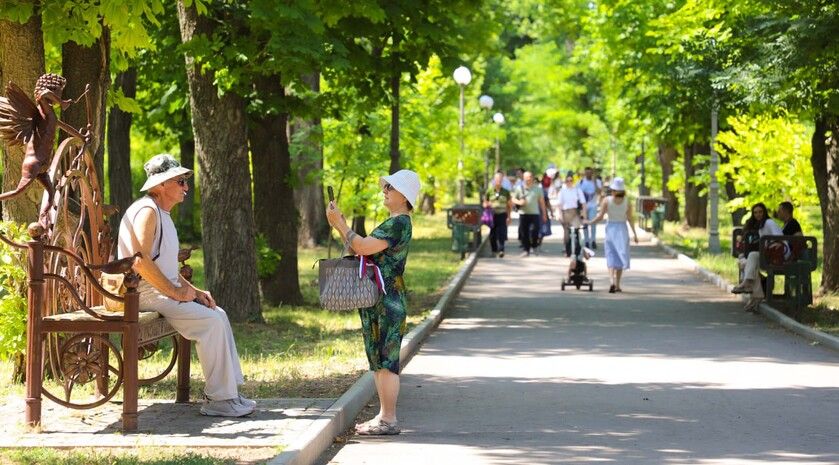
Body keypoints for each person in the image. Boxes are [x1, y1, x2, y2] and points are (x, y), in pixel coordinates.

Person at [117, 154, 255, 417]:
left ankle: (229, 394)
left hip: (157, 290)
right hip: (141, 292)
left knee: (218, 314)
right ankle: (219, 401)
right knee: (210, 322)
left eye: (185, 182)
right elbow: (141, 262)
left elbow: (165, 266)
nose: (186, 187)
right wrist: (176, 293)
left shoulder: (161, 213)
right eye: (180, 181)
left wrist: (196, 292)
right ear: (160, 185)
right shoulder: (147, 211)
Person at [326, 169, 419, 436]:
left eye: (391, 187)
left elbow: (364, 247)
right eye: (386, 186)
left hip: (387, 298)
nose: (385, 190)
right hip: (378, 296)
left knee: (386, 359)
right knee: (377, 358)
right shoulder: (394, 221)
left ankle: (389, 419)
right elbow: (361, 245)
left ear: (405, 197)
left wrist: (341, 226)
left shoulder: (399, 222)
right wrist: (342, 224)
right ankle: (383, 417)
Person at [587, 177, 638, 293]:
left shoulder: (607, 200)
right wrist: (634, 234)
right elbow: (630, 218)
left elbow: (600, 217)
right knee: (620, 255)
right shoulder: (627, 201)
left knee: (611, 255)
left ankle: (611, 282)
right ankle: (618, 284)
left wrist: (590, 222)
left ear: (613, 189)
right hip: (622, 230)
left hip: (611, 229)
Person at [731, 202, 785, 311]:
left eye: (760, 212)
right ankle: (756, 296)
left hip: (777, 254)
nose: (758, 214)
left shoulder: (769, 223)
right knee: (744, 260)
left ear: (764, 212)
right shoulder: (760, 225)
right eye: (755, 213)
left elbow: (780, 238)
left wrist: (773, 245)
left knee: (752, 256)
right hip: (767, 254)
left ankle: (746, 283)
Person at [512, 171, 548, 257]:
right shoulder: (519, 188)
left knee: (535, 231)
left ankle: (535, 245)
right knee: (524, 232)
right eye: (526, 177)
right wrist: (519, 202)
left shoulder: (538, 189)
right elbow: (513, 199)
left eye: (529, 177)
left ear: (532, 178)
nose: (528, 179)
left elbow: (542, 202)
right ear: (523, 178)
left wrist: (544, 214)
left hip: (535, 213)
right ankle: (526, 250)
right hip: (523, 213)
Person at [557, 173, 587, 257]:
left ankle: (576, 251)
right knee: (567, 233)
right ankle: (568, 251)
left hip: (575, 212)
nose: (569, 182)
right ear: (565, 182)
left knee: (576, 231)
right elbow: (559, 204)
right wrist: (558, 214)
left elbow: (583, 203)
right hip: (565, 213)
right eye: (567, 181)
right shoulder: (562, 191)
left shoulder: (577, 190)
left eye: (571, 180)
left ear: (573, 181)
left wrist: (584, 213)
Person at [484, 171, 513, 257]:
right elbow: (484, 203)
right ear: (494, 180)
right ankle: (494, 250)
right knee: (493, 233)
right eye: (497, 179)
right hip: (492, 215)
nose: (498, 181)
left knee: (502, 233)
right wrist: (488, 204)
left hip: (502, 214)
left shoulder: (506, 192)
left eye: (500, 180)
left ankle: (501, 250)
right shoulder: (489, 191)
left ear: (502, 181)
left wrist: (509, 216)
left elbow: (509, 205)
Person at [578, 167, 602, 249]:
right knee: (585, 223)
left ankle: (593, 240)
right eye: (586, 173)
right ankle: (587, 241)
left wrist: (595, 182)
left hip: (593, 205)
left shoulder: (597, 181)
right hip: (584, 206)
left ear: (592, 173)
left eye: (590, 173)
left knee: (593, 223)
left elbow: (599, 192)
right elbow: (578, 194)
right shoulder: (581, 182)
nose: (588, 174)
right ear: (585, 173)